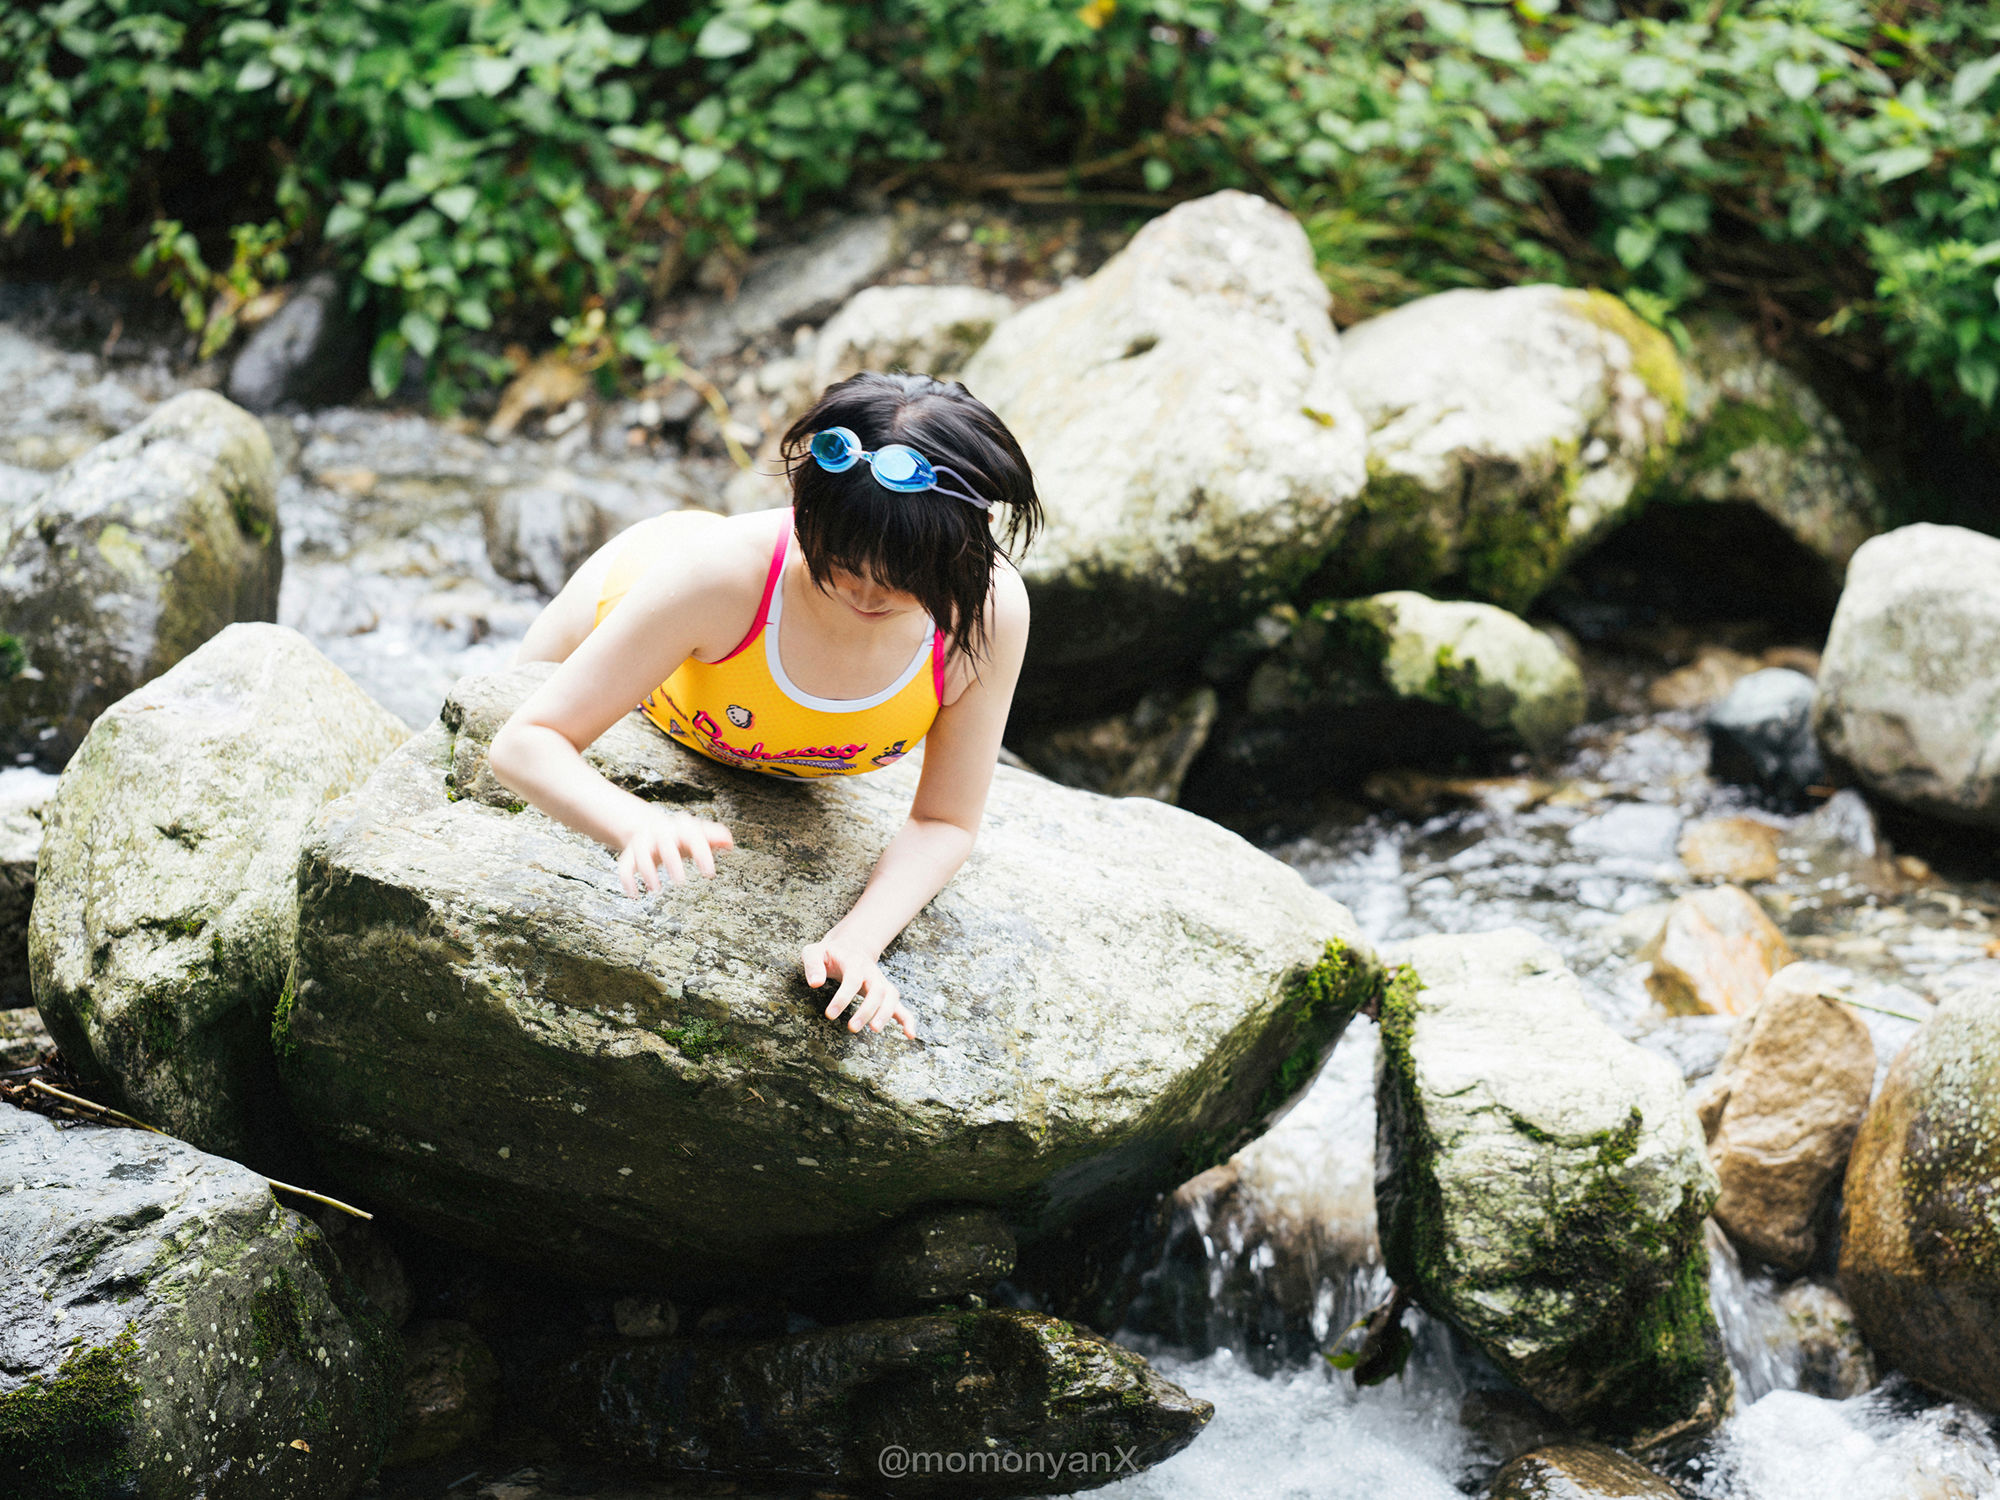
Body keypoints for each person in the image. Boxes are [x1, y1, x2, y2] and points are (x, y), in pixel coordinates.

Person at [488, 372, 1039, 1045]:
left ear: (968, 545)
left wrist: (857, 943)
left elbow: (944, 820)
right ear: (805, 511)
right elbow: (524, 741)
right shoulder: (719, 575)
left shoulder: (987, 612)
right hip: (630, 609)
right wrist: (632, 821)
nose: (866, 594)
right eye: (839, 562)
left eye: (902, 581)